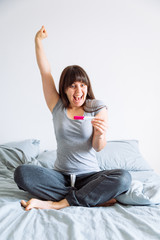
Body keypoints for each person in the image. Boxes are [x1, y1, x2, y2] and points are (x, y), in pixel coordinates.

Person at [14, 26, 131, 211]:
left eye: (82, 85)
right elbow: (45, 73)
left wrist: (100, 134)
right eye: (73, 86)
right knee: (22, 173)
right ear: (65, 89)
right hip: (60, 177)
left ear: (87, 86)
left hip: (90, 176)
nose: (78, 91)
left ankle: (58, 203)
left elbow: (98, 147)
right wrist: (38, 41)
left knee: (124, 178)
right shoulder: (57, 106)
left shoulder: (98, 107)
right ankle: (90, 197)